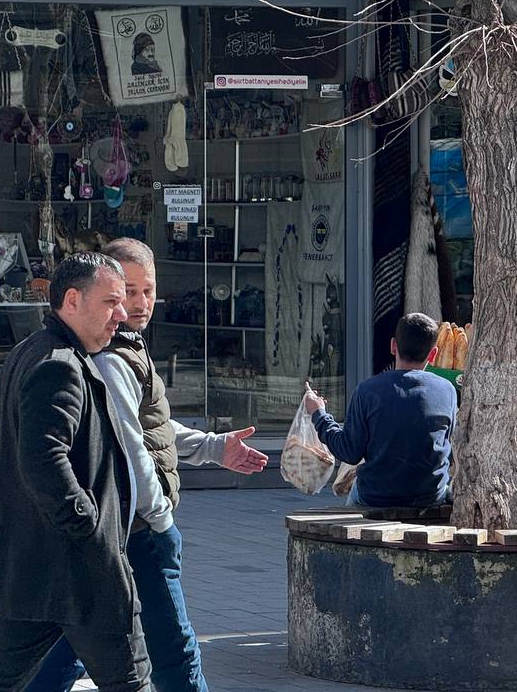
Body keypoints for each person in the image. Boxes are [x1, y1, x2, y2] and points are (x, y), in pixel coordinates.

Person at [24, 238, 269, 692]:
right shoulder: (113, 356)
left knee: (66, 647)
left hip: (115, 529)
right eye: (124, 294)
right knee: (175, 652)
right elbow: (131, 450)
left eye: (147, 291)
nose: (138, 304)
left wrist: (213, 447)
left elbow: (150, 428)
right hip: (137, 531)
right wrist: (159, 520)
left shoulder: (127, 345)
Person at [0, 253, 149, 692]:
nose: (121, 315)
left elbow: (7, 449)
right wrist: (86, 521)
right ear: (73, 299)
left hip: (40, 565)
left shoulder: (35, 352)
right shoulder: (59, 363)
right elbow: (42, 457)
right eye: (111, 302)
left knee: (2, 673)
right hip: (78, 567)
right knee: (131, 680)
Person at [303, 312, 454, 508]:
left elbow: (349, 452)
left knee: (355, 493)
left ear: (393, 346)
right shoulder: (447, 390)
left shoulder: (368, 390)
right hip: (430, 496)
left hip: (376, 496)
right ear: (433, 354)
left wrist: (319, 414)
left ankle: (353, 539)